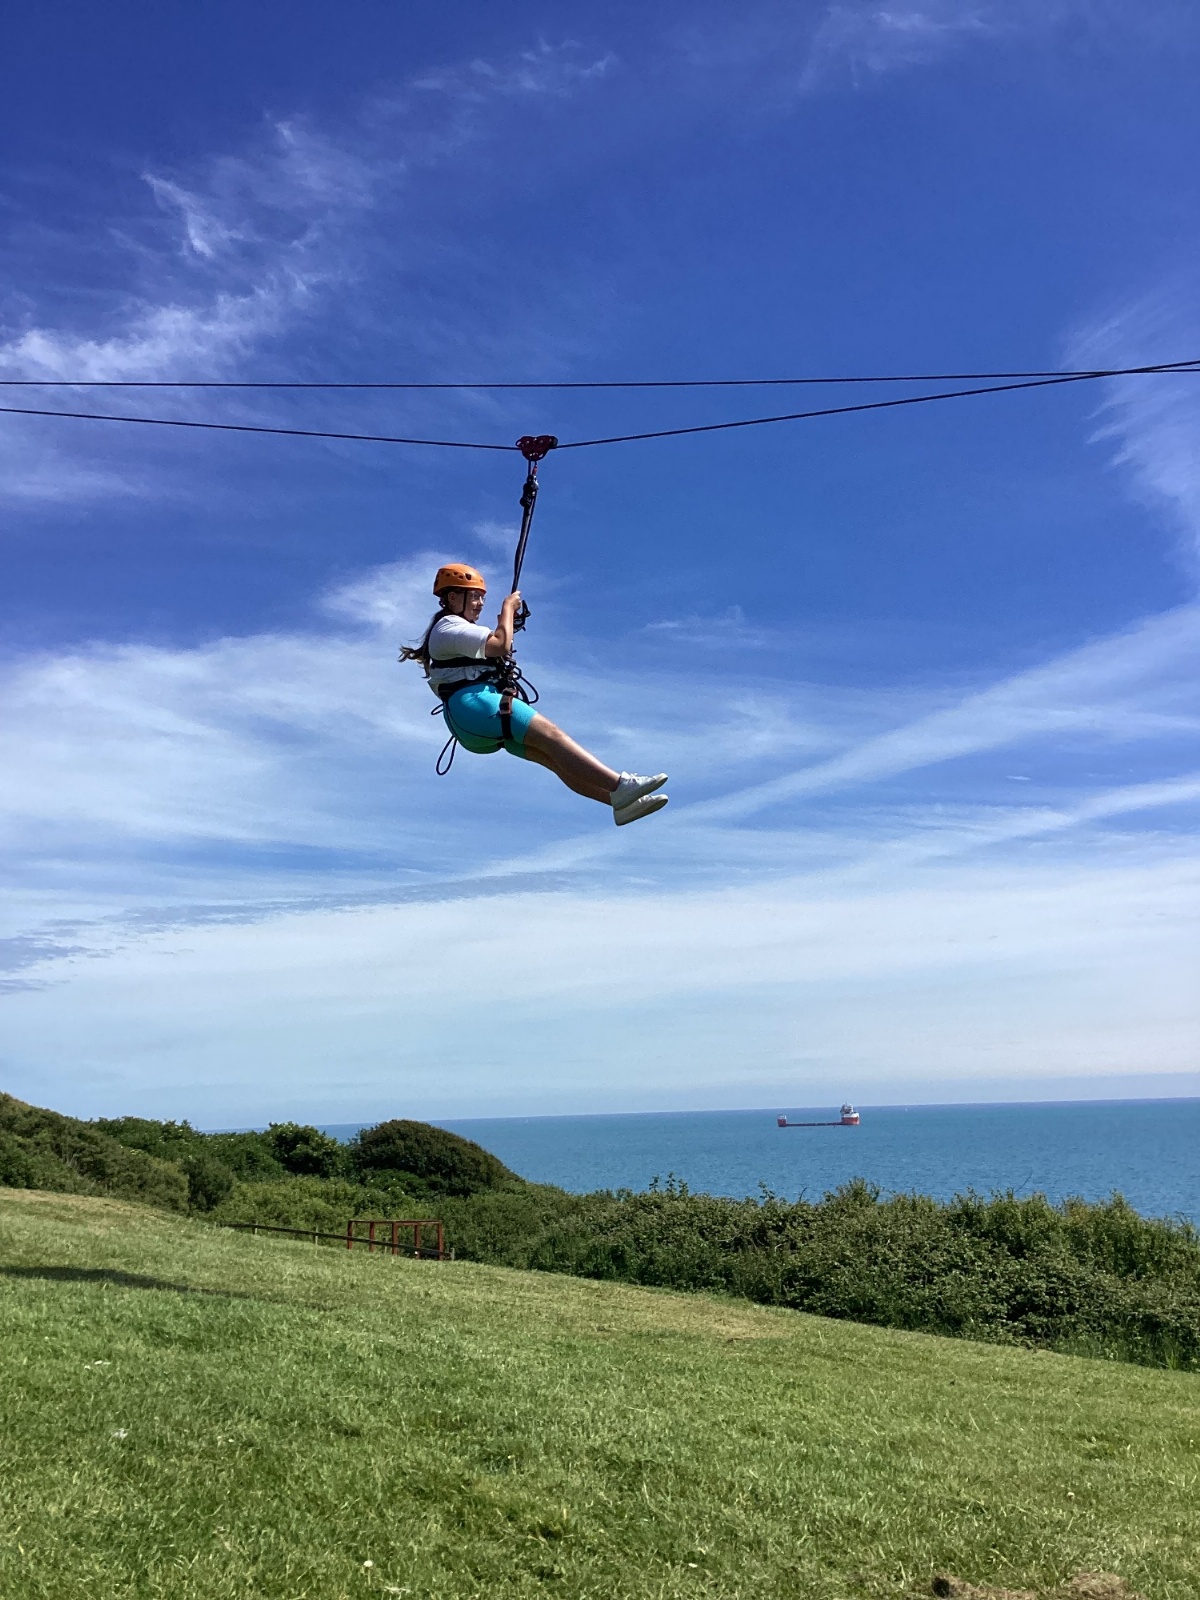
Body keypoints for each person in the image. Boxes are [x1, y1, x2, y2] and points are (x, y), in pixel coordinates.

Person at [401, 563, 668, 825]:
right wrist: (508, 608)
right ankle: (620, 785)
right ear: (452, 598)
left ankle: (618, 804)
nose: (480, 604)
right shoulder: (448, 626)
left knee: (554, 759)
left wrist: (507, 624)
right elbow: (500, 644)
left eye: (482, 598)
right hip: (475, 705)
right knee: (552, 736)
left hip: (469, 720)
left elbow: (497, 647)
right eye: (474, 597)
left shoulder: (452, 630)